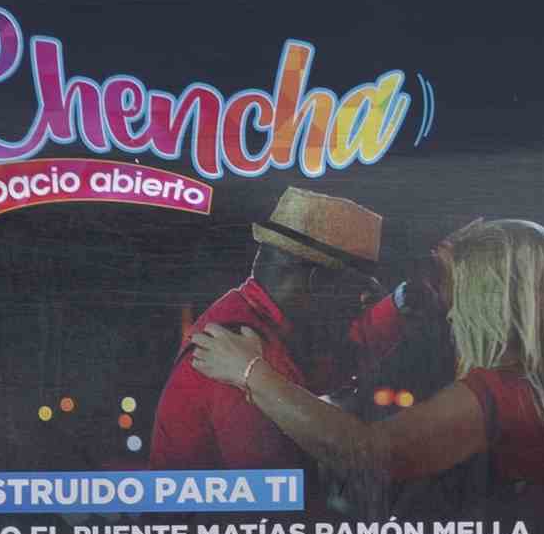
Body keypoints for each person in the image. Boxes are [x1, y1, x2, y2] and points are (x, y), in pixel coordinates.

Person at [187, 216, 544, 527]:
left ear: (489, 298)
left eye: (455, 293)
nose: (451, 315)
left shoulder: (499, 393)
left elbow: (368, 454)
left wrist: (249, 370)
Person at [152, 185, 407, 477]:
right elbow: (281, 503)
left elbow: (337, 359)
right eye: (357, 288)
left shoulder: (262, 322)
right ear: (317, 281)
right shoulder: (236, 352)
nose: (362, 302)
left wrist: (401, 306)